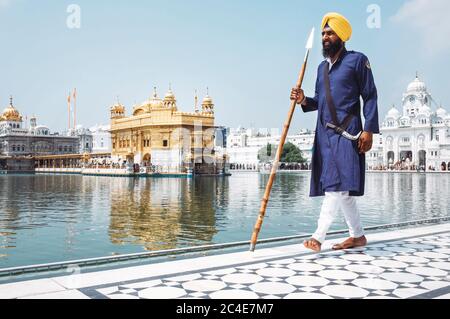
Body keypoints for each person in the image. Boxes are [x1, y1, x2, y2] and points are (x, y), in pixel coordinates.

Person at [290, 12, 379, 252]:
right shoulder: (321, 68)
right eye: (323, 34)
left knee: (335, 186)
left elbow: (369, 95)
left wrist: (368, 130)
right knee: (342, 189)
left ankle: (318, 236)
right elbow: (320, 100)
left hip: (348, 133)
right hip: (324, 135)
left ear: (341, 36)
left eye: (330, 33)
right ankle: (358, 236)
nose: (325, 37)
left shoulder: (357, 60)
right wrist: (303, 100)